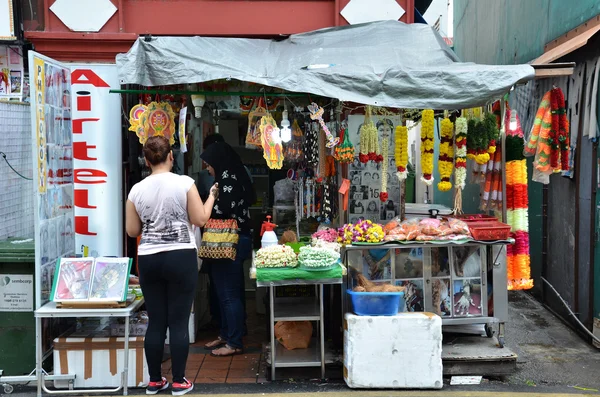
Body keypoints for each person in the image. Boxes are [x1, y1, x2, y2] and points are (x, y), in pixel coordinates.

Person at [126, 136, 217, 395]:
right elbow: (199, 219)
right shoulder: (184, 183)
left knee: (156, 321)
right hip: (180, 257)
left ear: (146, 160)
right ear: (171, 157)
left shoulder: (136, 190)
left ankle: (154, 381)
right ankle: (179, 381)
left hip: (150, 258)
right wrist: (211, 196)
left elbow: (133, 231)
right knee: (178, 322)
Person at [200, 142, 254, 357]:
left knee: (228, 293)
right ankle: (227, 334)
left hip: (230, 240)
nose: (207, 168)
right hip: (234, 239)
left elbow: (224, 209)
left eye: (209, 164)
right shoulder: (232, 175)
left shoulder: (229, 179)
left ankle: (234, 342)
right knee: (227, 291)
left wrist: (206, 201)